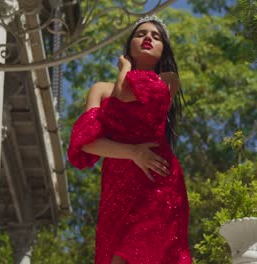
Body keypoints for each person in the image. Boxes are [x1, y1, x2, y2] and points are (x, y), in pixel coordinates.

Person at [67, 15, 192, 264]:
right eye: (141, 34)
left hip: (157, 179)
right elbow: (86, 142)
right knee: (114, 254)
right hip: (117, 182)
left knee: (135, 254)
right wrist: (134, 153)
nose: (148, 38)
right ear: (129, 46)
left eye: (156, 37)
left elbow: (123, 94)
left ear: (163, 50)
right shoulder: (99, 89)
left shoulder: (167, 81)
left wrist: (124, 70)